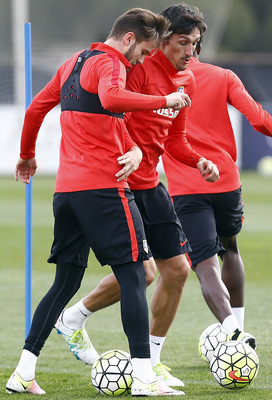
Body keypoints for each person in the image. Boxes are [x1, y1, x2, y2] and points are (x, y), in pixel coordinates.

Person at [6, 8, 192, 397]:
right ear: (128, 39)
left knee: (65, 284)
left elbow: (40, 109)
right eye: (141, 52)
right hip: (105, 191)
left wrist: (26, 154)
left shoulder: (72, 63)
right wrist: (166, 99)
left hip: (67, 192)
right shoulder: (110, 64)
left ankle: (23, 371)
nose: (140, 60)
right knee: (135, 276)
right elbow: (111, 98)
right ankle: (144, 377)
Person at [54, 3, 219, 389]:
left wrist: (199, 161)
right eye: (183, 43)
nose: (190, 53)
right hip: (120, 181)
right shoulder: (136, 70)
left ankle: (150, 360)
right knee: (143, 273)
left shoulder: (187, 81)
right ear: (161, 41)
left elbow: (173, 141)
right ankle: (77, 319)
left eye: (195, 44)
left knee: (177, 270)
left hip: (150, 183)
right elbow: (112, 115)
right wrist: (132, 150)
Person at [161, 36, 272, 345]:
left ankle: (233, 335)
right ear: (198, 47)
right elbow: (257, 117)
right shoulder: (223, 76)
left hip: (187, 184)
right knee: (231, 250)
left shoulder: (159, 80)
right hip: (226, 181)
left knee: (205, 263)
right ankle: (239, 326)